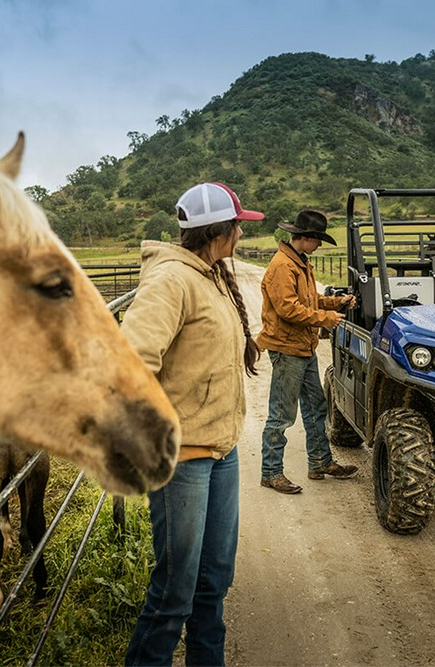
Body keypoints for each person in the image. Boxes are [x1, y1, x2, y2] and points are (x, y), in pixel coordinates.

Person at [121, 181, 263, 666]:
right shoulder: (171, 281)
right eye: (239, 227)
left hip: (219, 453)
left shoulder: (209, 274)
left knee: (213, 583)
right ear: (222, 233)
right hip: (183, 460)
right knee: (175, 593)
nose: (241, 237)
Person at [257, 209, 358, 495]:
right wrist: (326, 319)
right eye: (318, 240)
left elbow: (309, 300)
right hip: (287, 348)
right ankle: (271, 472)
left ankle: (320, 462)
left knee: (316, 406)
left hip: (303, 346)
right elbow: (288, 309)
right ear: (305, 238)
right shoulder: (282, 267)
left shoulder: (299, 262)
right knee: (281, 414)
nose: (320, 246)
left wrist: (334, 303)